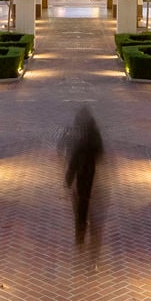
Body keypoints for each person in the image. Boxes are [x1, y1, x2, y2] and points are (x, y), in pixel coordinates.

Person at [60, 104, 104, 244]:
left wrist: (68, 177)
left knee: (81, 200)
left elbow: (74, 157)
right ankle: (83, 225)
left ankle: (81, 227)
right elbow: (99, 151)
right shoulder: (93, 133)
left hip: (82, 170)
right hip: (89, 170)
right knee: (84, 198)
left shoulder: (80, 134)